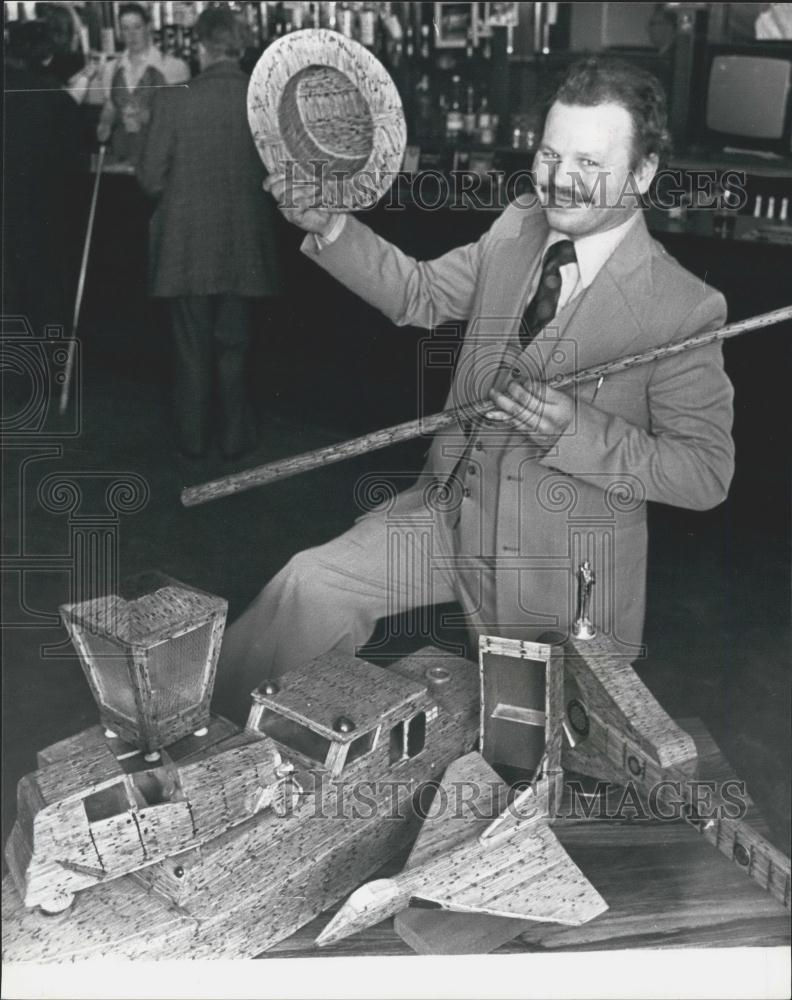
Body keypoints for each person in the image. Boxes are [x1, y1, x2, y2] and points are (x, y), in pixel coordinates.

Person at [215, 57, 735, 718]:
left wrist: (575, 433)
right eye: (550, 154)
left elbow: (704, 473)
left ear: (642, 172)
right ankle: (209, 749)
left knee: (520, 760)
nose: (560, 181)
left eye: (591, 164)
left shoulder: (682, 308)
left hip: (552, 572)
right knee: (308, 587)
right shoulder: (520, 225)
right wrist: (330, 227)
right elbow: (421, 293)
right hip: (451, 514)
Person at [136, 6, 282, 459]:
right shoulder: (266, 101)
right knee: (235, 345)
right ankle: (237, 436)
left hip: (187, 246)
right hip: (245, 246)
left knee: (190, 348)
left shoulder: (174, 98)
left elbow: (150, 180)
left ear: (200, 46)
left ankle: (193, 439)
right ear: (239, 47)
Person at [4, 19, 82, 336]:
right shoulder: (55, 99)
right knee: (42, 296)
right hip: (43, 211)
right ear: (47, 56)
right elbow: (75, 158)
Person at [97, 2, 189, 166]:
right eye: (125, 29)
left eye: (137, 27)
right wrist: (105, 124)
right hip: (122, 158)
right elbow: (110, 107)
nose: (131, 35)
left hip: (160, 162)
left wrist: (146, 117)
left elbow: (181, 122)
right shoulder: (111, 69)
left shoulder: (174, 68)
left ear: (148, 27)